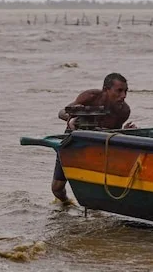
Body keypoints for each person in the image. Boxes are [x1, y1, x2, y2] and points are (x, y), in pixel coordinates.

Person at [52, 73, 136, 203]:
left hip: (98, 147)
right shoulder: (90, 96)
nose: (123, 96)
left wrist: (125, 132)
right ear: (106, 89)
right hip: (73, 142)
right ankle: (66, 203)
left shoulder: (123, 110)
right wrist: (72, 118)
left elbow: (113, 135)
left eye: (126, 91)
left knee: (96, 183)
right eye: (119, 91)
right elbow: (62, 112)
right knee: (57, 188)